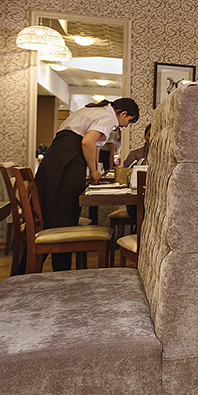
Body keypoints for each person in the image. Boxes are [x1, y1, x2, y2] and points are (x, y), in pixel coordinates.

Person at [35, 97, 139, 270]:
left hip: (58, 158)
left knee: (52, 213)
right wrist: (94, 171)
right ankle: (60, 270)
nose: (126, 125)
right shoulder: (108, 116)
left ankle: (43, 266)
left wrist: (94, 170)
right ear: (123, 113)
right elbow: (87, 142)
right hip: (67, 161)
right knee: (64, 215)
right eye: (129, 121)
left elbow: (93, 146)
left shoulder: (93, 110)